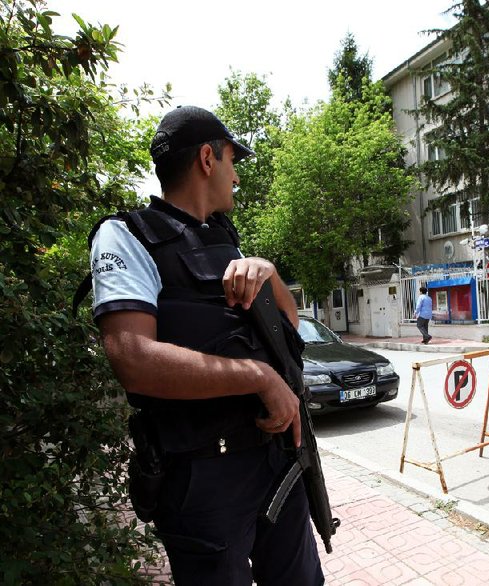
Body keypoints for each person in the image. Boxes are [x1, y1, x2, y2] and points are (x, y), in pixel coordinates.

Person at [89, 106, 323, 585]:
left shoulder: (225, 241)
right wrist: (257, 378)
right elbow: (131, 357)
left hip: (276, 461)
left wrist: (270, 273)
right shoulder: (126, 236)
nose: (237, 177)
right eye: (233, 161)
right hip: (203, 477)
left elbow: (287, 329)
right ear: (207, 159)